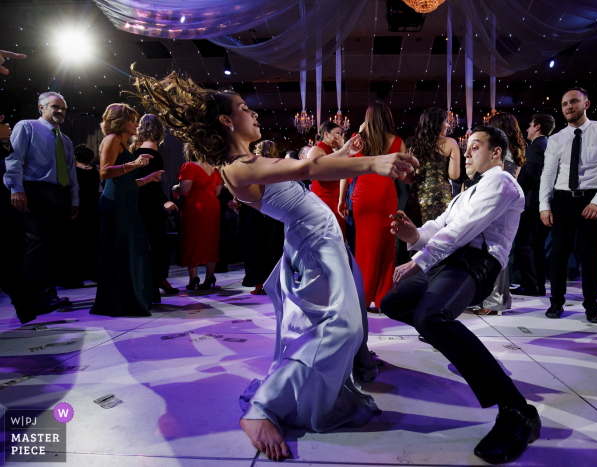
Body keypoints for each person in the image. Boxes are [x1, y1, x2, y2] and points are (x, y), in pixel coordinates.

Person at [131, 67, 416, 461]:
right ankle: (263, 408)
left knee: (350, 317)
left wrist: (344, 154)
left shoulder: (247, 158)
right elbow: (308, 170)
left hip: (324, 239)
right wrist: (372, 163)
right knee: (343, 325)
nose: (255, 114)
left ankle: (347, 367)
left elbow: (312, 168)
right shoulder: (238, 167)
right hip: (316, 244)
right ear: (227, 120)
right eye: (246, 108)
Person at [382, 126, 540, 464]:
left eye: (475, 147)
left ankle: (519, 411)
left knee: (430, 317)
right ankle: (452, 340)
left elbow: (461, 230)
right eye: (466, 148)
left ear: (497, 152)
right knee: (392, 303)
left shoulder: (502, 182)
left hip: (475, 264)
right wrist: (415, 234)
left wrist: (418, 258)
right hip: (451, 259)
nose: (466, 154)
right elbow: (441, 225)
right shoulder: (467, 191)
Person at [540, 87, 597, 323]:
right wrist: (544, 204)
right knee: (557, 255)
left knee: (589, 256)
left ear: (586, 104)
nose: (568, 107)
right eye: (564, 104)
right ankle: (556, 304)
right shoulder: (556, 139)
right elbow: (548, 174)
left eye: (573, 102)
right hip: (562, 199)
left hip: (591, 199)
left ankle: (591, 306)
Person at [4, 92, 79, 309]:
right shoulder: (26, 127)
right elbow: (14, 158)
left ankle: (47, 294)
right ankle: (28, 298)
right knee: (37, 243)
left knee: (55, 246)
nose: (60, 111)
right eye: (55, 107)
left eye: (63, 108)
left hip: (61, 194)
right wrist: (16, 188)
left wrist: (75, 199)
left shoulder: (65, 139)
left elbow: (71, 171)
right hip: (36, 190)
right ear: (41, 107)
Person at [91, 104, 162, 317]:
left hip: (125, 203)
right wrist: (134, 164)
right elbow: (104, 173)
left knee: (131, 250)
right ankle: (118, 302)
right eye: (132, 120)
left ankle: (128, 298)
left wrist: (147, 178)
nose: (136, 125)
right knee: (119, 251)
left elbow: (125, 181)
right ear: (120, 121)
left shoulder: (123, 142)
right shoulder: (112, 139)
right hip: (115, 204)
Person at [342, 102, 406, 312]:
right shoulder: (396, 141)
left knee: (364, 249)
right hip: (386, 194)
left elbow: (346, 168)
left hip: (363, 195)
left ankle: (361, 297)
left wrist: (342, 198)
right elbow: (403, 175)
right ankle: (382, 300)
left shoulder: (359, 139)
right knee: (388, 247)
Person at [480, 112, 527, 315]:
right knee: (499, 251)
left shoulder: (502, 153)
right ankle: (495, 300)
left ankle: (494, 302)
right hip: (507, 204)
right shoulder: (515, 151)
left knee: (494, 250)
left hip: (497, 202)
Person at [131, 114, 179, 296]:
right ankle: (159, 279)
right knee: (157, 242)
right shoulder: (152, 149)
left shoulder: (137, 148)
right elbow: (152, 182)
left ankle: (154, 281)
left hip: (140, 200)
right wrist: (164, 200)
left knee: (148, 242)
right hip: (148, 202)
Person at [512, 113, 555, 297]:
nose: (527, 129)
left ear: (537, 126)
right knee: (537, 246)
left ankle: (531, 285)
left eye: (529, 125)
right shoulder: (547, 145)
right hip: (544, 203)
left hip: (532, 204)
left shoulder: (536, 147)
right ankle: (538, 285)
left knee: (524, 245)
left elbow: (531, 176)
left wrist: (515, 184)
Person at [172, 144, 222, 290]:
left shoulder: (189, 166)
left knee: (192, 239)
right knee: (210, 240)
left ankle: (193, 278)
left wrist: (175, 188)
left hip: (195, 204)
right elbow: (218, 191)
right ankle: (209, 276)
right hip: (212, 204)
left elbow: (185, 189)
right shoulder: (215, 169)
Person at [238, 140, 285, 294]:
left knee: (255, 245)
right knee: (272, 246)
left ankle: (260, 282)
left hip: (257, 207)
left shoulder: (255, 165)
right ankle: (271, 282)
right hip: (274, 209)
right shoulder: (277, 164)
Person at [404, 107, 460, 227]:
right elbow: (454, 175)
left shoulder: (413, 146)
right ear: (438, 123)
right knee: (440, 238)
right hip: (442, 197)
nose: (448, 125)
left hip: (418, 197)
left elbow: (408, 180)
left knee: (420, 237)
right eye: (446, 121)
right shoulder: (451, 143)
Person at [62, 144, 101, 288]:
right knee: (93, 243)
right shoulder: (96, 172)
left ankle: (73, 278)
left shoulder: (72, 172)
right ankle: (94, 273)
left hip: (76, 210)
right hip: (93, 211)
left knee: (74, 245)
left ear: (75, 157)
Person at [307, 121, 346, 238]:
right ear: (326, 134)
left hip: (337, 200)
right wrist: (343, 151)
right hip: (323, 199)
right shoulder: (316, 149)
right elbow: (315, 173)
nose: (338, 137)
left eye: (340, 134)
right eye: (336, 134)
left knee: (340, 238)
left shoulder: (335, 152)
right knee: (327, 237)